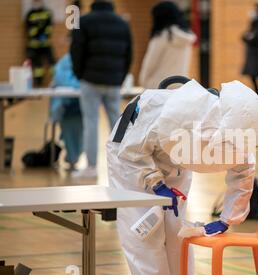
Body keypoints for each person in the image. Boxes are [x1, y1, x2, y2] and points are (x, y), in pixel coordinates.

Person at [106, 79, 258, 275]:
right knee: (144, 240)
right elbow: (131, 152)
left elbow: (244, 170)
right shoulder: (162, 113)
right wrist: (156, 184)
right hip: (131, 158)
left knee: (177, 235)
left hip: (174, 161)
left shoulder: (236, 129)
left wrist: (228, 217)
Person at [71, 0, 132, 178]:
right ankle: (123, 165)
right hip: (114, 82)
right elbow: (129, 54)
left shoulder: (83, 21)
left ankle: (91, 167)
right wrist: (119, 78)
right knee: (117, 124)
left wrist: (80, 74)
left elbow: (76, 51)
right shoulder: (122, 24)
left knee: (91, 123)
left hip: (90, 81)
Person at [139, 2, 196, 89]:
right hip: (179, 86)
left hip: (158, 87)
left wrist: (143, 82)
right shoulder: (186, 36)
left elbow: (149, 65)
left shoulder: (162, 37)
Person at [50, 52, 82, 171]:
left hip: (81, 106)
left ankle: (73, 159)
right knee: (71, 133)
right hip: (66, 106)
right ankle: (72, 159)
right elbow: (61, 78)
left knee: (81, 136)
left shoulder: (86, 58)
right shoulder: (66, 60)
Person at [241, 4, 258, 97]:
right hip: (252, 55)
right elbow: (244, 36)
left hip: (257, 56)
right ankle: (256, 96)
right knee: (252, 77)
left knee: (254, 77)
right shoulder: (254, 24)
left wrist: (248, 37)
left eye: (255, 11)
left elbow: (253, 38)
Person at [25, 0, 55, 86]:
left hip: (46, 44)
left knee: (52, 63)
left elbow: (50, 26)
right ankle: (39, 84)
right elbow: (29, 28)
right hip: (34, 45)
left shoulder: (47, 12)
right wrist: (37, 33)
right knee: (38, 67)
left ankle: (57, 80)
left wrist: (45, 34)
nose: (37, 2)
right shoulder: (30, 14)